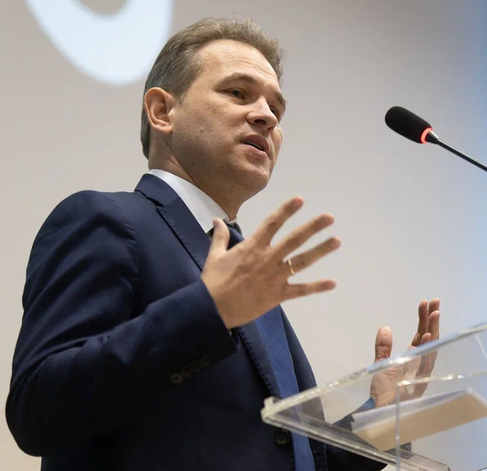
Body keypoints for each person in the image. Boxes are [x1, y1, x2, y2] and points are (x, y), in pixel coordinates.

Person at [6, 18, 440, 471]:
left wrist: (384, 416)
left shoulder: (243, 272)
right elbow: (38, 409)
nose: (266, 116)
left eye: (276, 109)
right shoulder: (107, 221)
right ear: (162, 111)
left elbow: (291, 458)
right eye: (238, 92)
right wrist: (206, 313)